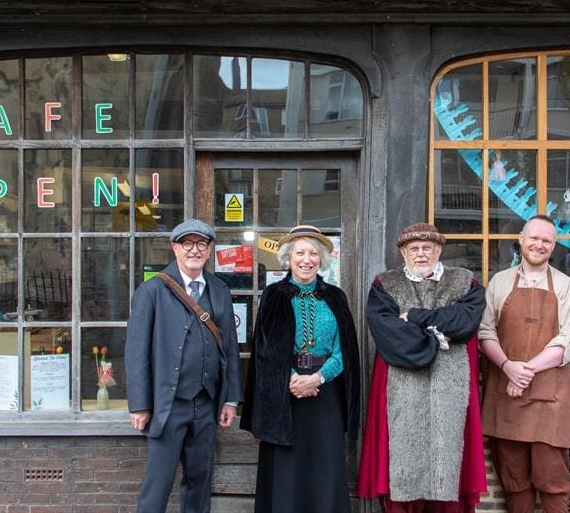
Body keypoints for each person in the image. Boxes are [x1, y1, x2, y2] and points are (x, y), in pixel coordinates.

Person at [357, 222, 487, 512]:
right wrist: (439, 335)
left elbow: (466, 321)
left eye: (427, 248)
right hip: (400, 385)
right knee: (402, 460)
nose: (420, 254)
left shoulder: (465, 282)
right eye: (413, 249)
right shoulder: (384, 286)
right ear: (403, 252)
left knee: (450, 459)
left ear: (438, 250)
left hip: (452, 385)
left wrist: (415, 317)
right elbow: (388, 333)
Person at [240, 225, 360, 513]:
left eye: (313, 254)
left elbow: (345, 350)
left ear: (321, 259)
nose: (307, 260)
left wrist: (317, 377)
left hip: (326, 393)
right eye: (300, 253)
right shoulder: (274, 295)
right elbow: (266, 348)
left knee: (324, 465)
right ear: (288, 258)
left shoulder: (335, 296)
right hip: (284, 395)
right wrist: (293, 379)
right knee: (286, 467)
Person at [126, 219, 243, 513]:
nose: (194, 250)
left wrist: (230, 398)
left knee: (199, 482)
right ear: (175, 247)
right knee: (158, 484)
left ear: (208, 250)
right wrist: (139, 404)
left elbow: (228, 347)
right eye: (187, 243)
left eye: (201, 244)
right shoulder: (152, 291)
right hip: (168, 405)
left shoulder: (219, 289)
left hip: (205, 403)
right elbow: (136, 351)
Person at [479, 215, 570, 513]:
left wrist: (524, 371)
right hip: (506, 396)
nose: (539, 245)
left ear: (553, 246)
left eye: (547, 241)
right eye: (534, 238)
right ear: (521, 239)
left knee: (552, 479)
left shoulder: (565, 286)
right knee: (514, 480)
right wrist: (507, 367)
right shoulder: (499, 282)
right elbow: (486, 332)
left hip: (551, 399)